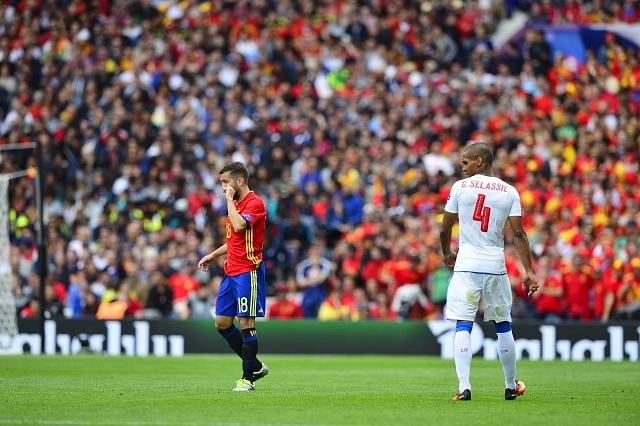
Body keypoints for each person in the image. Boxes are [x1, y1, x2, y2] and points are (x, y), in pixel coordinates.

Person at [440, 143, 539, 401]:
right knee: (503, 325)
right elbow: (518, 233)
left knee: (463, 324)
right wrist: (528, 270)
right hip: (495, 266)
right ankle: (510, 385)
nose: (462, 167)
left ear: (480, 162)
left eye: (466, 162)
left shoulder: (460, 188)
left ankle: (464, 386)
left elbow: (445, 228)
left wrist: (446, 252)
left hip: (466, 265)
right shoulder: (509, 191)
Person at [197, 162, 269, 392]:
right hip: (231, 271)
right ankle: (255, 365)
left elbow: (239, 226)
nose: (223, 187)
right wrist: (212, 255)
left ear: (240, 181)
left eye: (226, 182)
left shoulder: (254, 203)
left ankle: (247, 379)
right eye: (221, 183)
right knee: (222, 322)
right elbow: (233, 241)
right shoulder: (236, 204)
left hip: (248, 271)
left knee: (246, 322)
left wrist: (229, 200)